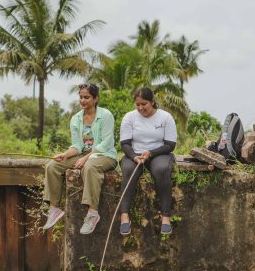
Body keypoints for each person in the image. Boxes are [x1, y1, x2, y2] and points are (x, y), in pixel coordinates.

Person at [42, 83, 118, 235]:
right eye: (81, 97)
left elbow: (107, 143)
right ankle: (54, 209)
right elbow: (77, 146)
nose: (83, 100)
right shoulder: (76, 119)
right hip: (84, 155)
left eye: (87, 97)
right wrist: (65, 155)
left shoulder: (105, 115)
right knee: (52, 166)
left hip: (105, 155)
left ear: (95, 99)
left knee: (89, 166)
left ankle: (92, 213)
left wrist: (87, 158)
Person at [118, 87, 178, 235]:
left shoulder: (165, 117)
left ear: (152, 102)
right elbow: (125, 143)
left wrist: (151, 153)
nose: (140, 108)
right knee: (128, 170)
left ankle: (165, 217)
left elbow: (170, 145)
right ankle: (124, 216)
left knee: (161, 170)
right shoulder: (129, 117)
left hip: (159, 153)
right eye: (137, 105)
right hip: (135, 154)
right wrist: (133, 156)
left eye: (144, 104)